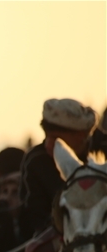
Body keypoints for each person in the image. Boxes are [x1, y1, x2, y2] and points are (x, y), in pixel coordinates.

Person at [18, 99, 98, 240]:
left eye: (56, 139)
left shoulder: (102, 151)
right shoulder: (36, 161)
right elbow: (32, 214)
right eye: (47, 137)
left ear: (79, 135)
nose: (48, 144)